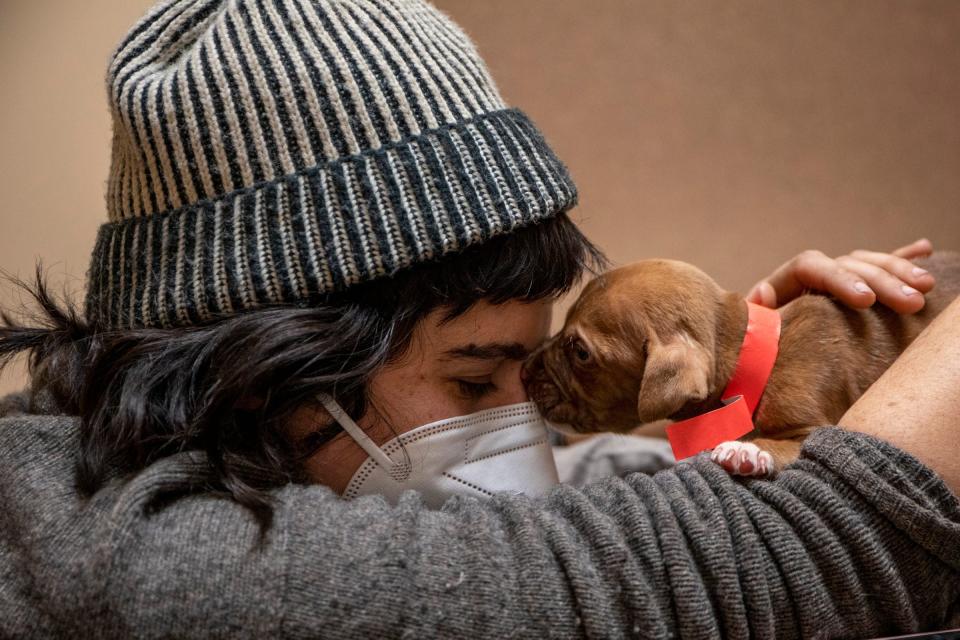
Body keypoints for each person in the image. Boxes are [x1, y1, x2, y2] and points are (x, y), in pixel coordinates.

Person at [0, 0, 957, 637]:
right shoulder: (120, 555)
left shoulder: (282, 465)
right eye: (473, 379)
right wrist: (910, 434)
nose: (522, 413)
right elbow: (646, 573)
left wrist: (756, 385)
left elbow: (601, 487)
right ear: (268, 368)